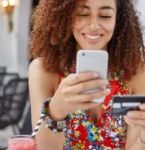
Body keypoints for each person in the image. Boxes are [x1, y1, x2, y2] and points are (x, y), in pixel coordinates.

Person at [29, 0, 145, 149]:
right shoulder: (43, 70)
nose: (94, 26)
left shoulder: (137, 71)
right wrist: (56, 111)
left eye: (105, 15)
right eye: (82, 14)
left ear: (118, 19)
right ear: (66, 16)